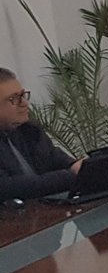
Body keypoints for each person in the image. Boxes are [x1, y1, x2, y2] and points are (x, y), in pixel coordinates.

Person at [0, 68, 82, 200]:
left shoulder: (28, 130)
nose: (24, 103)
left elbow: (56, 159)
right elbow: (8, 187)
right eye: (13, 99)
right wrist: (69, 175)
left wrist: (78, 166)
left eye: (23, 95)